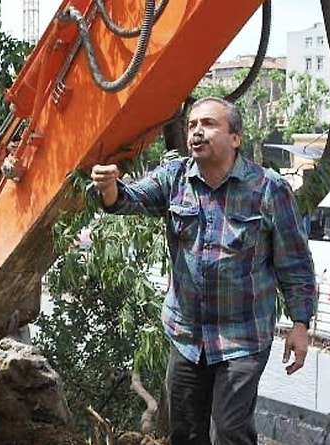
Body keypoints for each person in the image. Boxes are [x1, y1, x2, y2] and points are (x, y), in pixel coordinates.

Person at [90, 97, 317, 445]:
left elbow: (296, 262)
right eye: (192, 125)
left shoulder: (268, 188)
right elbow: (128, 199)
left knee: (229, 430)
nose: (197, 131)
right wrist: (108, 188)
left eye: (208, 124)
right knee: (185, 433)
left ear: (235, 138)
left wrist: (300, 324)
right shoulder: (174, 178)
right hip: (187, 336)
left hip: (243, 338)